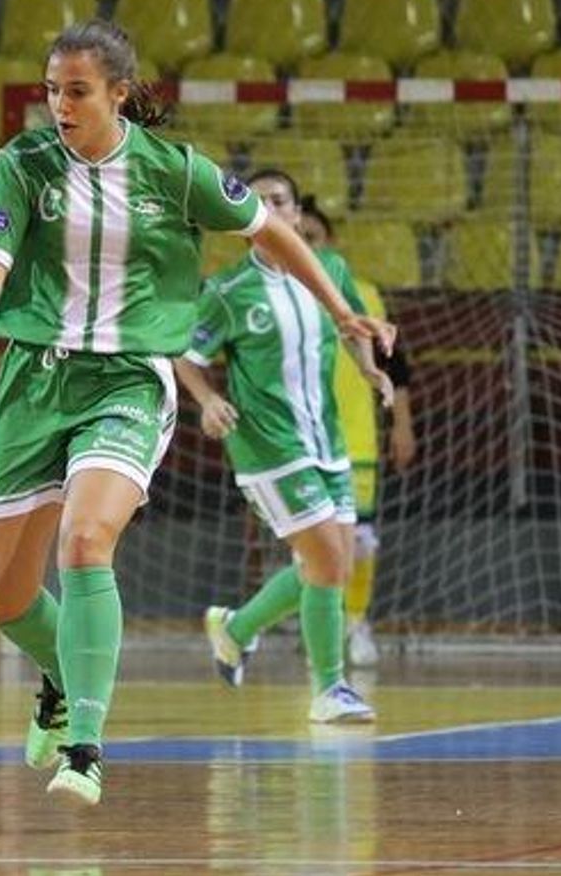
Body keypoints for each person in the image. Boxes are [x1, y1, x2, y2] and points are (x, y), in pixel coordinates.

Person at [0, 21, 394, 807]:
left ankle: (85, 746)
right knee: (1, 595)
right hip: (32, 382)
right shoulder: (22, 166)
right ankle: (59, 676)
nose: (60, 104)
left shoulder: (173, 170)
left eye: (77, 91)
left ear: (119, 93)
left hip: (128, 378)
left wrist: (342, 314)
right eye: (52, 89)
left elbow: (273, 231)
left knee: (85, 539)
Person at [176, 169, 393, 723]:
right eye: (259, 202)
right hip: (266, 445)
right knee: (324, 560)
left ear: (297, 215)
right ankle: (330, 689)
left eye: (281, 201)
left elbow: (350, 326)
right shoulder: (228, 293)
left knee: (334, 564)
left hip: (326, 439)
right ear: (243, 221)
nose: (271, 209)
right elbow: (184, 353)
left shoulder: (330, 271)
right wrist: (207, 400)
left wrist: (369, 371)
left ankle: (237, 627)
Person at [300, 201, 418, 668]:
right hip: (299, 436)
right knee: (311, 544)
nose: (307, 243)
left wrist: (402, 423)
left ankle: (356, 621)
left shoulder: (361, 293)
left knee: (361, 541)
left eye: (315, 236)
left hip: (356, 435)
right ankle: (323, 632)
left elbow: (396, 364)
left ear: (330, 244)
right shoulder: (274, 291)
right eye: (299, 235)